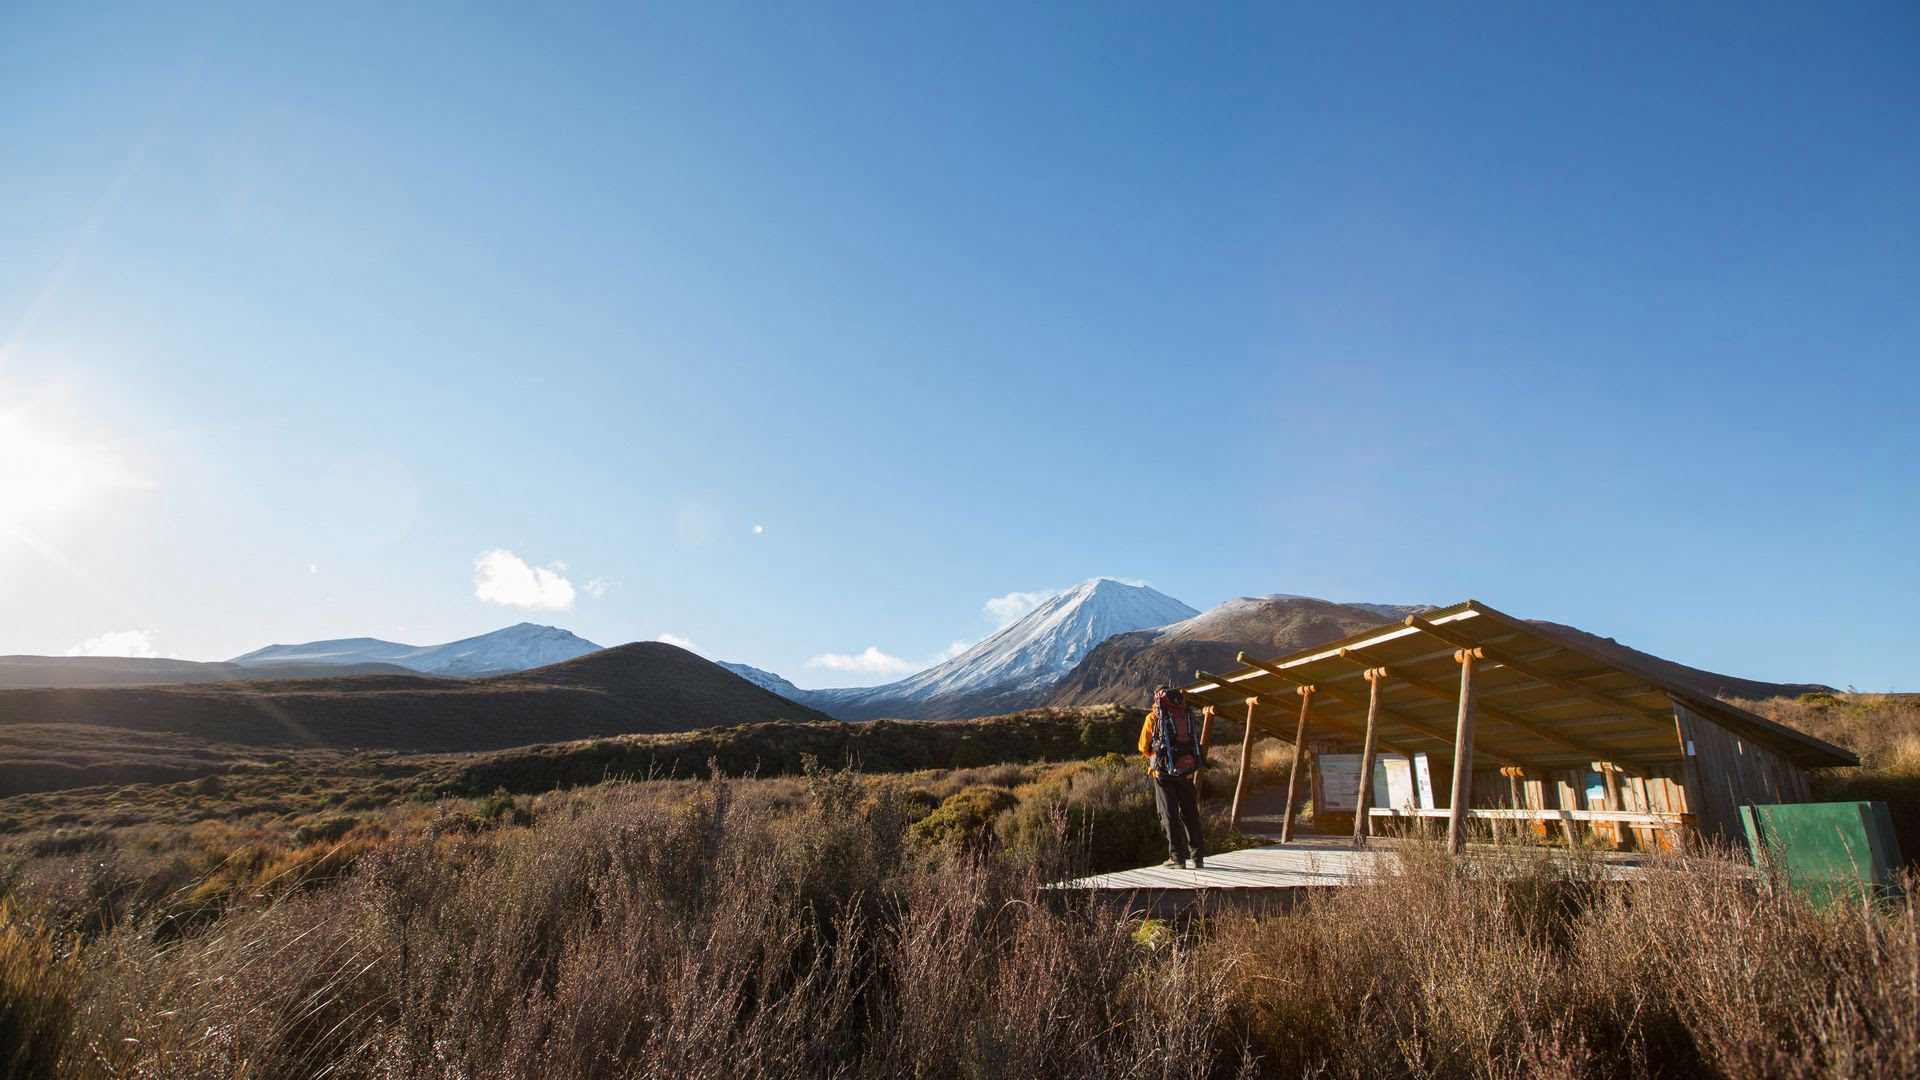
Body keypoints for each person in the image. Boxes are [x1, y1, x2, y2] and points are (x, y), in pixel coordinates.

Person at [1139, 684, 1206, 869]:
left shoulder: (1154, 717)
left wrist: (1157, 757)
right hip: (1186, 771)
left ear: (1157, 698)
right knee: (1191, 814)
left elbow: (1143, 746)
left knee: (1169, 815)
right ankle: (1198, 857)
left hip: (1163, 773)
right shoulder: (1185, 715)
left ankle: (1177, 858)